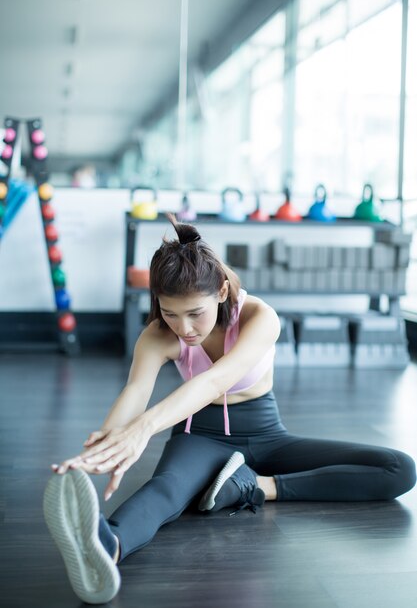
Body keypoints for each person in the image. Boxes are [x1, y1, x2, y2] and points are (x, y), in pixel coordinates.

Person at [43, 215, 416, 604]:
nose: (183, 328)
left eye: (194, 313)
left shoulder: (258, 316)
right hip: (199, 436)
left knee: (398, 468)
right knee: (167, 489)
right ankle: (107, 547)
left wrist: (143, 429)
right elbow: (136, 390)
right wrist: (100, 449)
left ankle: (256, 486)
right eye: (170, 313)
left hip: (267, 435)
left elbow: (215, 381)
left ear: (221, 292)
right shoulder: (158, 334)